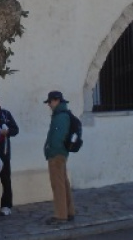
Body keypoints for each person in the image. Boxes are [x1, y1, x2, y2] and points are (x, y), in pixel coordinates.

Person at [43, 90, 76, 225]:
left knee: (58, 185)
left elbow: (57, 137)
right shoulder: (63, 114)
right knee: (63, 184)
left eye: (50, 102)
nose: (49, 105)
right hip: (60, 154)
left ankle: (61, 215)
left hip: (56, 155)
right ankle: (69, 211)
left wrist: (50, 151)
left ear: (56, 100)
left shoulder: (60, 117)